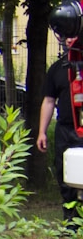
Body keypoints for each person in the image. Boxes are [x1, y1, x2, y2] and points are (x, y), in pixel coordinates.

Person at [38, 52, 83, 222]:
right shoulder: (58, 68)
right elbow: (49, 101)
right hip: (65, 129)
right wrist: (42, 132)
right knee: (65, 175)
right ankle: (71, 222)